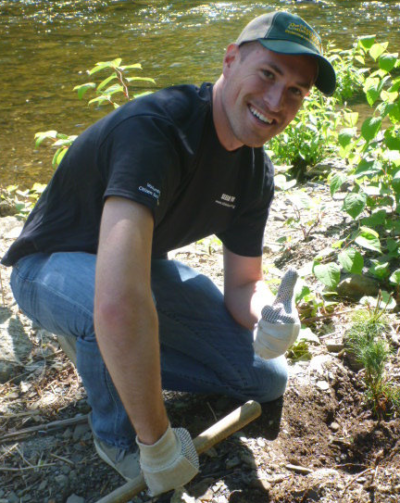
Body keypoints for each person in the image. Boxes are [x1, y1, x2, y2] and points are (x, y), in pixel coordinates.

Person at [2, 11, 336, 496]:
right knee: (112, 312)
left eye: (295, 91)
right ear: (229, 61)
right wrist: (158, 443)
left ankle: (115, 355)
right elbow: (118, 301)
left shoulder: (253, 172)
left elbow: (244, 284)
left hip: (135, 273)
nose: (275, 101)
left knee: (265, 377)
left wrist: (270, 316)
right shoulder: (156, 130)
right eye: (268, 74)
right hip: (46, 268)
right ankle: (116, 437)